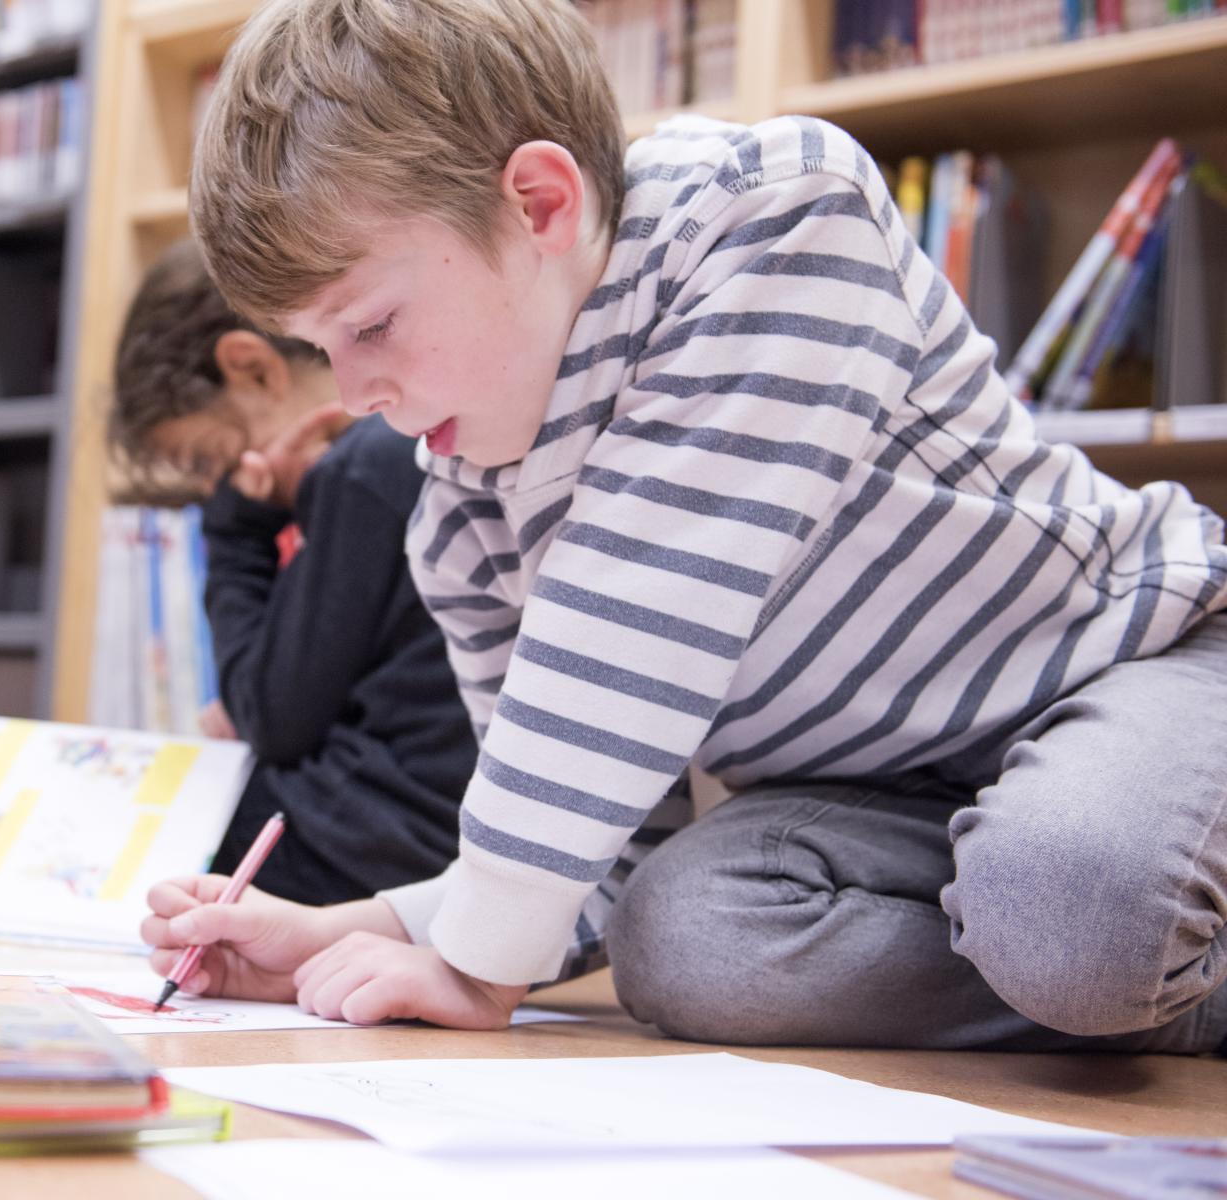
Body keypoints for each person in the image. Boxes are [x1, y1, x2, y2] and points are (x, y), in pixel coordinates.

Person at [143, 0, 1227, 1054]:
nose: (353, 392)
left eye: (371, 323)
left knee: (1069, 893)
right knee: (672, 938)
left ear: (537, 204)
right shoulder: (463, 525)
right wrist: (359, 932)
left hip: (1134, 665)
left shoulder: (776, 214)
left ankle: (1113, 951)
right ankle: (1115, 966)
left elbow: (637, 604)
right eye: (321, 346)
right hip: (883, 817)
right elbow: (597, 854)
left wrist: (476, 961)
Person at [110, 238, 476, 904]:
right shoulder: (417, 444)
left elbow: (274, 719)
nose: (225, 485)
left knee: (147, 823)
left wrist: (234, 528)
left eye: (208, 460)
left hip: (383, 844)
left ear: (251, 368)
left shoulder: (362, 470)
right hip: (426, 833)